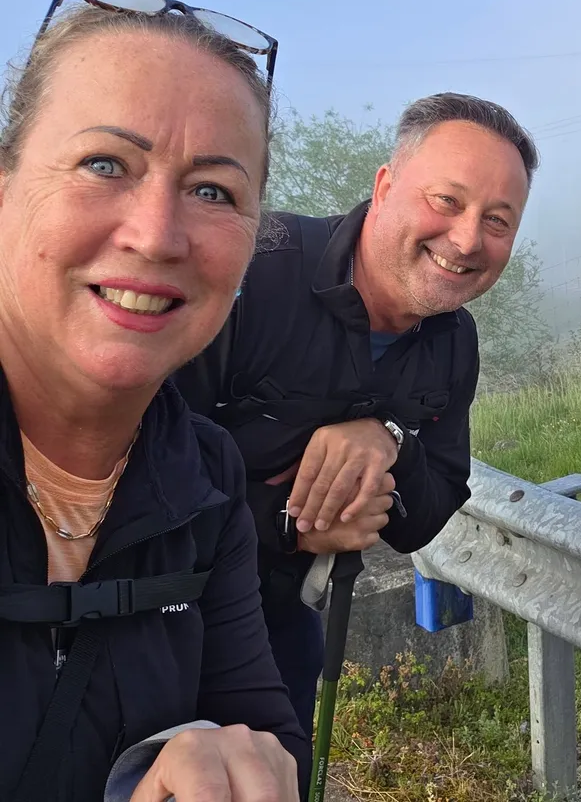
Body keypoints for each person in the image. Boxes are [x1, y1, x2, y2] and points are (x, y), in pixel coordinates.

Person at [0, 0, 312, 801]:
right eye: (105, 163)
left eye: (214, 191)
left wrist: (213, 755)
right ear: (3, 188)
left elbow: (261, 725)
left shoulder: (204, 482)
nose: (157, 235)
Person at [171, 91, 538, 744]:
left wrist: (389, 438)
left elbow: (429, 508)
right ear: (386, 186)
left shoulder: (453, 342)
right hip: (149, 626)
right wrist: (293, 525)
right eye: (446, 201)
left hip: (276, 636)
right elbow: (132, 468)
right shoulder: (255, 272)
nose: (466, 239)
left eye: (498, 220)